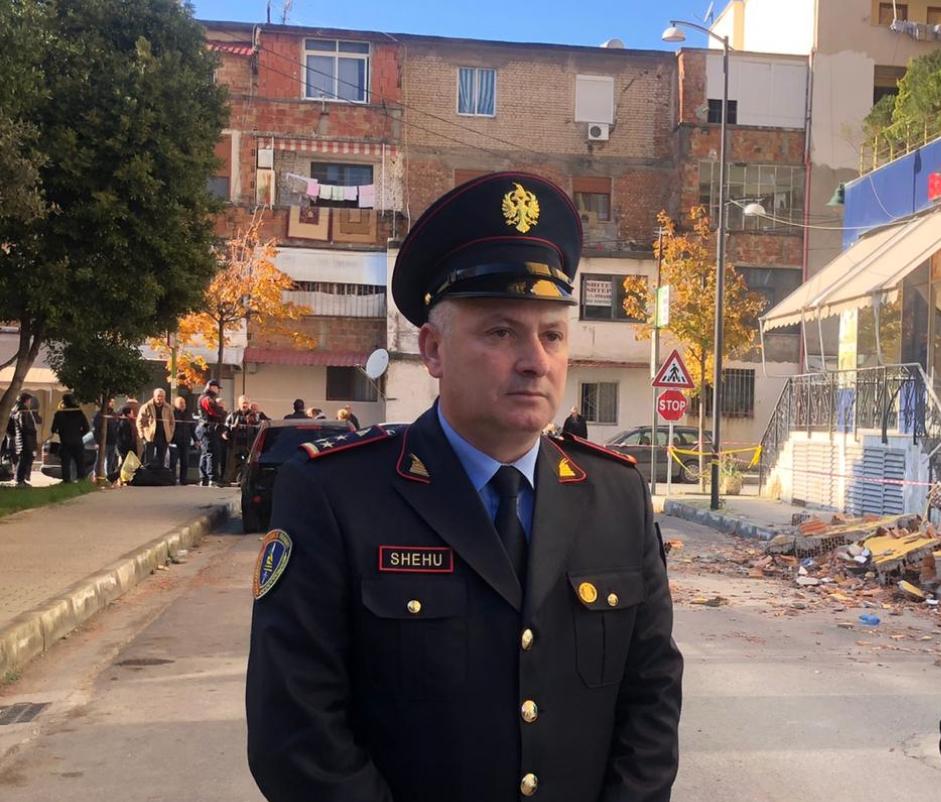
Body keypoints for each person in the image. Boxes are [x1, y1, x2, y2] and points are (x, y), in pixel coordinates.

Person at [246, 172, 683, 802]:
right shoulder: (335, 496)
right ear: (433, 350)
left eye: (552, 335)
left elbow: (652, 696)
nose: (535, 360)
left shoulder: (617, 496)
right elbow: (295, 731)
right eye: (501, 332)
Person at [51, 394, 90, 483]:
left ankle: (66, 480)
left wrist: (62, 433)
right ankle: (81, 479)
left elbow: (53, 429)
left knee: (65, 463)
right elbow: (86, 428)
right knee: (80, 462)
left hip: (65, 442)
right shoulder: (79, 413)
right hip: (77, 441)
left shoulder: (59, 414)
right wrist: (79, 434)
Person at [196, 379, 227, 487]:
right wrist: (222, 411)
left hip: (204, 427)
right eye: (217, 388)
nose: (218, 390)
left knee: (205, 453)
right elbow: (214, 411)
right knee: (212, 453)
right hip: (208, 428)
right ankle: (212, 478)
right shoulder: (207, 398)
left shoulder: (204, 397)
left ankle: (204, 478)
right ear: (212, 387)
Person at [224, 395, 259, 485]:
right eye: (243, 403)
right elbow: (226, 426)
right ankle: (227, 481)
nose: (245, 405)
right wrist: (229, 429)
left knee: (246, 464)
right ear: (239, 404)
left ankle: (242, 481)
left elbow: (258, 428)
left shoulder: (254, 415)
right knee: (232, 463)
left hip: (248, 444)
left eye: (246, 403)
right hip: (235, 443)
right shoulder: (233, 414)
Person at [137, 388, 175, 467]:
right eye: (158, 396)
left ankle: (159, 474)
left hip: (164, 437)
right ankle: (148, 474)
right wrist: (142, 434)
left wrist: (170, 434)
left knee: (161, 461)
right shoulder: (146, 406)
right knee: (148, 461)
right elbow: (139, 421)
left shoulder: (168, 408)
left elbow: (172, 422)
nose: (160, 398)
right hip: (150, 437)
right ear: (154, 396)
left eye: (162, 396)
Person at [11, 393, 41, 487]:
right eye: (29, 400)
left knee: (24, 460)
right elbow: (24, 426)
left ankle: (21, 480)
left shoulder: (16, 411)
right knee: (24, 460)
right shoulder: (23, 411)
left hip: (21, 440)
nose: (30, 403)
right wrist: (32, 431)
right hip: (26, 440)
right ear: (26, 400)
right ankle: (20, 480)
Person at [93, 398, 120, 479]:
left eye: (114, 402)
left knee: (110, 461)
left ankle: (109, 477)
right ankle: (96, 475)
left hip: (113, 441)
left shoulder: (114, 414)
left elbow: (116, 426)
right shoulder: (100, 414)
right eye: (111, 402)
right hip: (104, 442)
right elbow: (96, 429)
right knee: (100, 460)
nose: (113, 404)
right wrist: (97, 441)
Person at [170, 396, 195, 485]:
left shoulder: (188, 413)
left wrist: (196, 439)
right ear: (176, 404)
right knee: (173, 462)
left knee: (185, 461)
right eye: (180, 403)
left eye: (183, 403)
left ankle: (183, 480)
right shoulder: (172, 413)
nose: (182, 405)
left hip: (186, 440)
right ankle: (172, 479)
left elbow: (192, 427)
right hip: (174, 441)